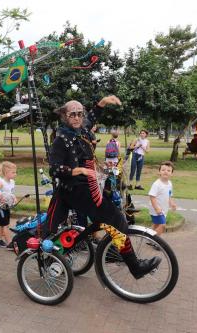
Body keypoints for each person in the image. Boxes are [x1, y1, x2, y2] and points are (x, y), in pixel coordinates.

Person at [44, 96, 161, 280]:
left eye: (79, 114)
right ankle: (134, 266)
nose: (76, 117)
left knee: (111, 221)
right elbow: (55, 168)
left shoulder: (82, 128)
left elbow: (92, 116)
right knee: (116, 219)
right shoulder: (62, 138)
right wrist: (79, 170)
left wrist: (104, 102)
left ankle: (107, 249)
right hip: (74, 190)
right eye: (72, 114)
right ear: (65, 117)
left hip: (88, 187)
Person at [149, 161, 177, 238]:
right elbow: (152, 196)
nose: (166, 172)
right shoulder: (157, 184)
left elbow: (169, 195)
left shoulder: (170, 183)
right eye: (163, 170)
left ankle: (149, 237)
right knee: (162, 225)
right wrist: (156, 208)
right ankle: (155, 240)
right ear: (159, 172)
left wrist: (172, 203)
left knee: (156, 224)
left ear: (171, 173)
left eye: (168, 170)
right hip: (156, 209)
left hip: (164, 209)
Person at [0, 161, 17, 249]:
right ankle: (9, 243)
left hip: (7, 206)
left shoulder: (12, 182)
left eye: (15, 172)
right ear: (6, 173)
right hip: (0, 207)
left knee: (2, 224)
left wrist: (14, 198)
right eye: (13, 172)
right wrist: (0, 197)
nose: (15, 174)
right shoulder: (1, 182)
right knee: (5, 225)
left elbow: (11, 193)